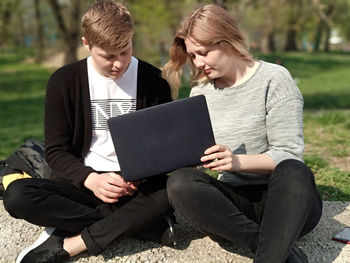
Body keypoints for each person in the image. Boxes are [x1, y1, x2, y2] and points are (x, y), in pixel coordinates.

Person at [3, 1, 175, 262]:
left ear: (132, 39)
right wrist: (91, 179)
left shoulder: (154, 81)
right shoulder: (63, 81)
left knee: (172, 189)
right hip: (82, 183)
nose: (118, 64)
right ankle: (141, 225)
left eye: (125, 51)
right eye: (108, 56)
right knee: (17, 196)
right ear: (87, 44)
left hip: (137, 188)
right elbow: (57, 151)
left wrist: (138, 177)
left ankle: (80, 240)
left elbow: (164, 147)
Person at [162, 4, 322, 263]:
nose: (198, 63)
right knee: (180, 182)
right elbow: (197, 168)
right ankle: (270, 246)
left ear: (226, 41)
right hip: (235, 204)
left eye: (203, 53)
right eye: (193, 56)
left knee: (294, 170)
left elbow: (288, 154)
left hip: (284, 199)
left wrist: (237, 162)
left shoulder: (275, 79)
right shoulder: (200, 94)